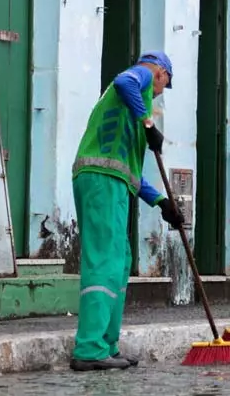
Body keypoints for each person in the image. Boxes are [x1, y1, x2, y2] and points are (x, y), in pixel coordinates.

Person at [70, 52, 184, 371]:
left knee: (120, 262)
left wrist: (161, 203)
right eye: (166, 84)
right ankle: (89, 348)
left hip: (112, 182)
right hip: (101, 180)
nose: (160, 92)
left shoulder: (128, 115)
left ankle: (107, 344)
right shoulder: (141, 78)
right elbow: (124, 80)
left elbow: (132, 171)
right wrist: (148, 123)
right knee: (105, 259)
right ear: (161, 73)